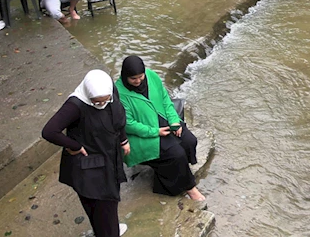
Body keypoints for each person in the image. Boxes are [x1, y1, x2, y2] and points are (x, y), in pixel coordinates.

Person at [41, 70, 130, 237]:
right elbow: (49, 131)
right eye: (97, 103)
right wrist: (73, 145)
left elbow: (118, 116)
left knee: (107, 205)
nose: (103, 104)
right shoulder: (75, 105)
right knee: (102, 204)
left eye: (106, 100)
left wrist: (123, 140)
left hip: (109, 156)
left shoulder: (109, 90)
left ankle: (107, 230)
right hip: (89, 165)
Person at [115, 56, 206, 201]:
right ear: (125, 75)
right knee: (176, 153)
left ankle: (179, 172)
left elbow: (165, 99)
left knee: (189, 141)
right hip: (141, 134)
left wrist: (174, 120)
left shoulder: (151, 76)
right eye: (133, 78)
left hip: (161, 120)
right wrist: (155, 132)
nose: (138, 81)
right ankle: (190, 188)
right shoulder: (119, 93)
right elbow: (128, 123)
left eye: (140, 76)